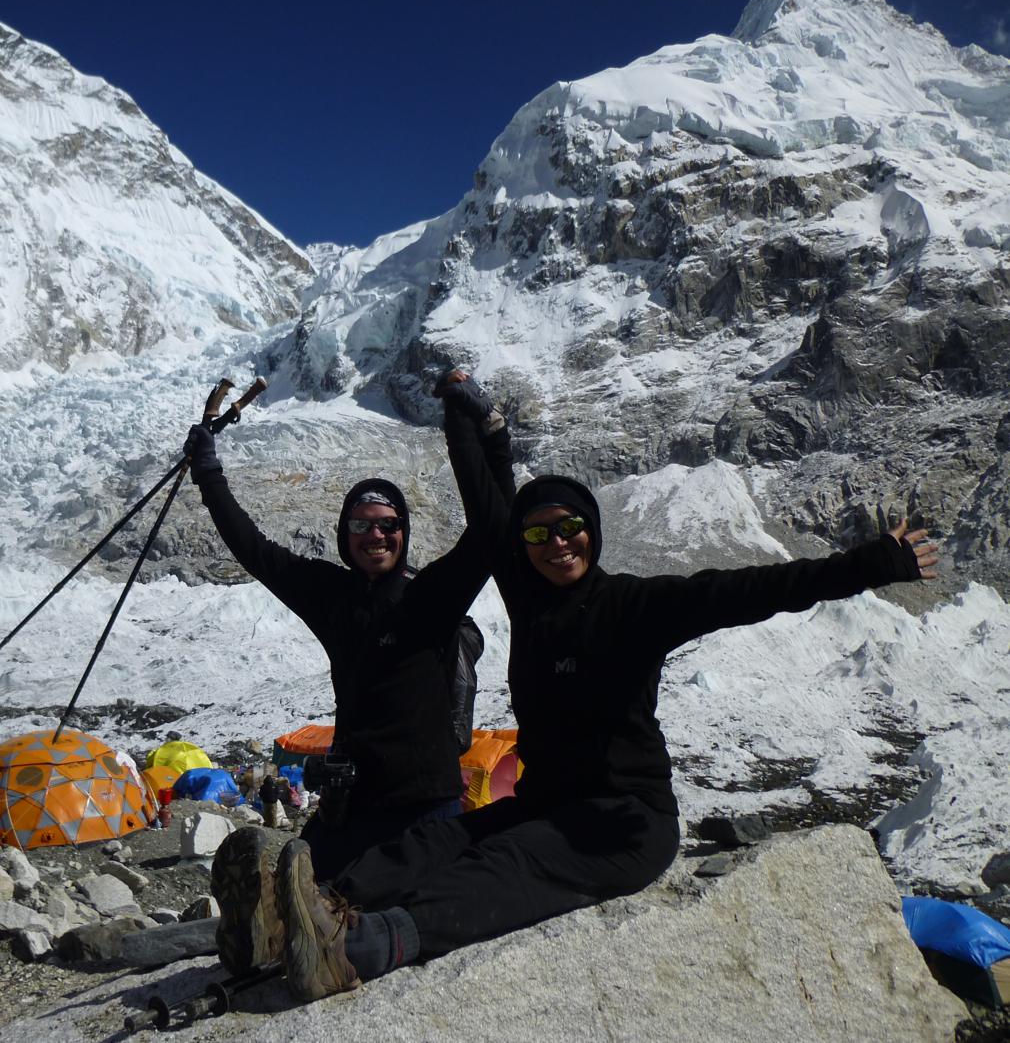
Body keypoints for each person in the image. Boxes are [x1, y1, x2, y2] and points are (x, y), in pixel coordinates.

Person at [234, 372, 940, 1001]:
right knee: (440, 842)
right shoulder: (532, 598)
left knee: (502, 862)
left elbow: (760, 587)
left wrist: (878, 561)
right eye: (540, 537)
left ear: (592, 534)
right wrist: (460, 414)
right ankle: (311, 906)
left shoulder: (635, 606)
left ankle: (360, 944)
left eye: (570, 527)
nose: (557, 543)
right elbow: (491, 505)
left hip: (624, 822)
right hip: (549, 803)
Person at [180, 406, 512, 973]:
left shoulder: (431, 597)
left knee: (367, 903)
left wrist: (494, 445)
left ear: (403, 533)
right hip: (353, 804)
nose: (375, 534)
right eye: (361, 524)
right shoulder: (331, 596)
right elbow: (254, 550)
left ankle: (309, 944)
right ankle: (264, 941)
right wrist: (208, 473)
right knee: (299, 896)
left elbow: (491, 530)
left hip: (424, 806)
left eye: (387, 524)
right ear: (344, 534)